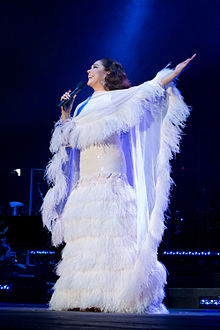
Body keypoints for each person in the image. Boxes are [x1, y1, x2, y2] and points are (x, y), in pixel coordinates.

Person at [41, 55, 196, 313]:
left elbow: (152, 86)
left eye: (94, 67)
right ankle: (86, 297)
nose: (89, 70)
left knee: (112, 235)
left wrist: (178, 69)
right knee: (87, 237)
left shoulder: (118, 98)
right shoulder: (83, 107)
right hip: (86, 178)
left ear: (107, 74)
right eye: (89, 66)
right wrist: (65, 112)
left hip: (110, 169)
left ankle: (115, 297)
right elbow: (68, 141)